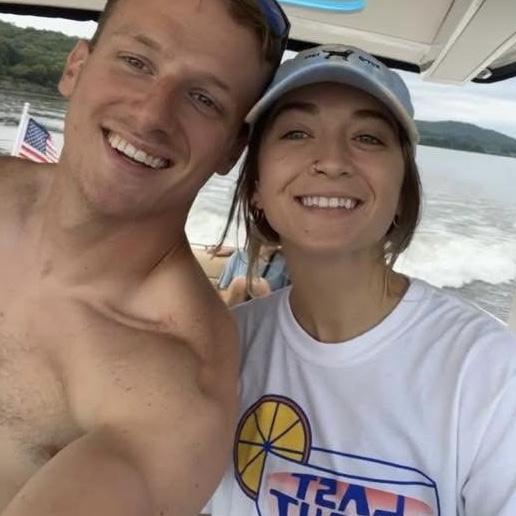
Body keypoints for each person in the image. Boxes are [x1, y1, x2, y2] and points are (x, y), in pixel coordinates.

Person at [0, 0, 290, 514]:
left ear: (233, 149)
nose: (151, 114)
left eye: (203, 98)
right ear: (76, 67)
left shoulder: (174, 383)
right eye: (137, 62)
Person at [204, 45, 516, 515]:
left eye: (368, 138)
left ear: (402, 190)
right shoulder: (222, 348)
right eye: (296, 132)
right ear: (255, 187)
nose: (332, 161)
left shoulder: (489, 374)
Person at [217, 241, 289, 306]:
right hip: (236, 310)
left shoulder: (284, 263)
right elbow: (222, 290)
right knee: (240, 283)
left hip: (267, 311)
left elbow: (287, 300)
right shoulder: (239, 256)